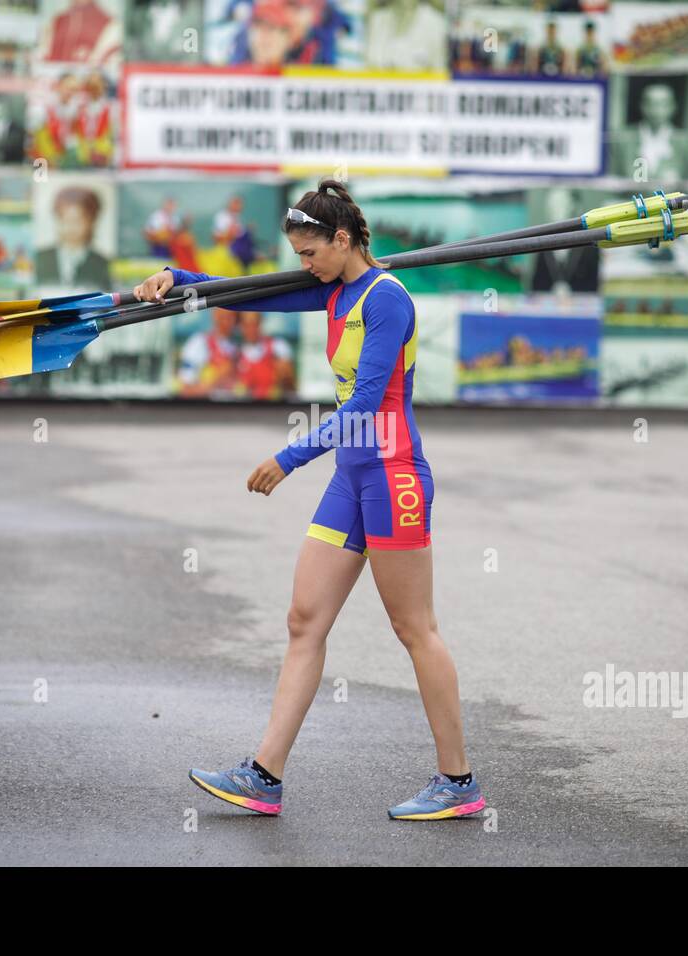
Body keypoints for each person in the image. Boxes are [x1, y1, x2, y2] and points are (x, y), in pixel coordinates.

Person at [133, 179, 485, 821]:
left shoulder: (387, 301)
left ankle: (458, 782)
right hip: (351, 479)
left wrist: (287, 458)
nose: (303, 265)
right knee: (304, 620)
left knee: (414, 628)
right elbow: (246, 293)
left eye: (309, 253)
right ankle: (264, 776)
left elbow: (362, 404)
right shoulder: (333, 287)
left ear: (342, 240)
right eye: (297, 255)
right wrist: (174, 274)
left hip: (394, 475)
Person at [35, 186, 111, 288]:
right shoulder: (40, 258)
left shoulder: (103, 264)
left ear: (91, 221)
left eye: (77, 220)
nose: (71, 227)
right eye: (65, 219)